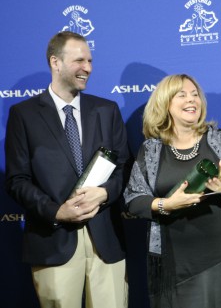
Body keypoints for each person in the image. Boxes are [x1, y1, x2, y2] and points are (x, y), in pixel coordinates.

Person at [5, 31, 129, 308]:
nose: (88, 68)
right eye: (79, 60)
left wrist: (104, 194)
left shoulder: (107, 111)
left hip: (106, 240)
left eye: (90, 61)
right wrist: (56, 211)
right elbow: (17, 180)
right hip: (52, 241)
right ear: (55, 62)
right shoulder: (23, 115)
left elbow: (124, 168)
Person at [123, 74, 221, 308]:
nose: (191, 100)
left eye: (195, 95)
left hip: (218, 257)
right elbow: (133, 198)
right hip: (170, 264)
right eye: (181, 95)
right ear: (165, 104)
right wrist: (166, 205)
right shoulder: (151, 149)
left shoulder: (220, 141)